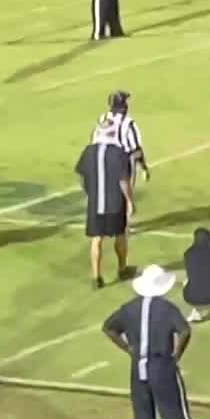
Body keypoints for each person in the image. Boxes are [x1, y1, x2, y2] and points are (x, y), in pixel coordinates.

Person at [101, 264, 203, 419]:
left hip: (138, 367)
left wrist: (128, 348)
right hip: (161, 366)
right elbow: (185, 331)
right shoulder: (167, 308)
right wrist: (176, 355)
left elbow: (108, 327)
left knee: (143, 418)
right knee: (174, 415)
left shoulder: (129, 308)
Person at [75, 101, 137, 289]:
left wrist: (89, 191)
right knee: (120, 234)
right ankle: (122, 269)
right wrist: (129, 200)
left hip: (95, 202)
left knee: (96, 238)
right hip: (115, 201)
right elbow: (123, 180)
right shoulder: (118, 153)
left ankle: (96, 277)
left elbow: (81, 175)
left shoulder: (88, 151)